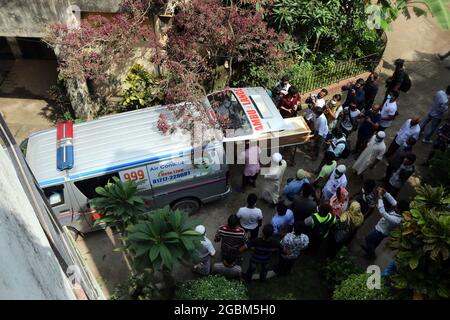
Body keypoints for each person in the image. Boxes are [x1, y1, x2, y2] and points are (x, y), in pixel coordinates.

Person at [362, 188, 408, 260]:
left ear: (399, 210)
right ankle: (369, 251)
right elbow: (393, 201)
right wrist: (385, 193)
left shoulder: (396, 220)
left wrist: (380, 198)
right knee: (374, 243)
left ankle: (371, 254)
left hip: (379, 231)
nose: (395, 206)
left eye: (396, 207)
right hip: (382, 232)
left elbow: (383, 212)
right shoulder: (401, 212)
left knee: (368, 239)